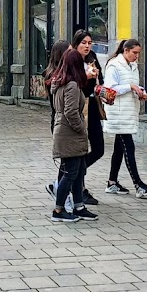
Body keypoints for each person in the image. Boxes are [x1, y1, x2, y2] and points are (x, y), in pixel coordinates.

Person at [48, 48, 97, 223]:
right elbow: (70, 111)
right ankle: (59, 209)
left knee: (78, 171)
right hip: (70, 133)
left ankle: (79, 206)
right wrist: (81, 128)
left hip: (65, 131)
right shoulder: (72, 85)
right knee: (70, 173)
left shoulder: (60, 82)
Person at [103, 38, 147, 198]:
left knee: (119, 149)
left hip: (128, 111)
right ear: (125, 50)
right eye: (134, 53)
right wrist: (130, 87)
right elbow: (109, 89)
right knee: (129, 147)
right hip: (118, 113)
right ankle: (138, 184)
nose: (136, 56)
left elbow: (131, 85)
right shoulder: (114, 65)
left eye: (138, 53)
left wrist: (140, 92)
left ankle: (112, 182)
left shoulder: (132, 66)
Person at [71, 30, 105, 204]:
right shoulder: (70, 58)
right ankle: (78, 188)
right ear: (76, 43)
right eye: (83, 42)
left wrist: (105, 92)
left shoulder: (92, 56)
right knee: (78, 150)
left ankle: (73, 177)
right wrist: (86, 76)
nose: (87, 46)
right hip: (76, 109)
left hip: (92, 107)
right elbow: (68, 83)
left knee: (99, 149)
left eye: (89, 42)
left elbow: (100, 82)